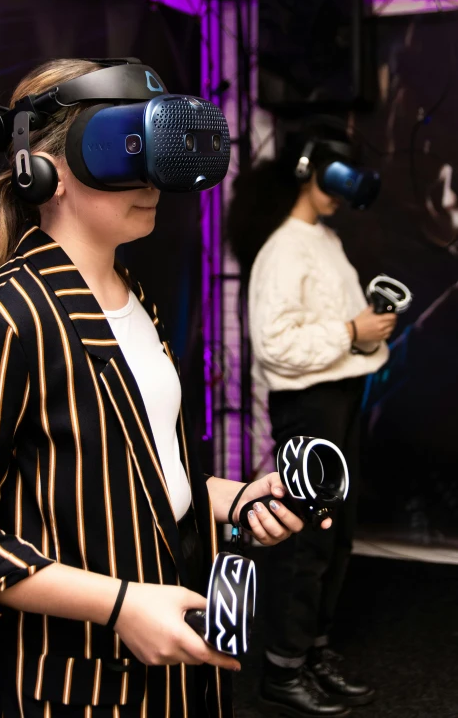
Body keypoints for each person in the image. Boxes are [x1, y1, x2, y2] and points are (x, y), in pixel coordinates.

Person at [0, 59, 323, 718]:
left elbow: (141, 476)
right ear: (45, 173)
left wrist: (240, 498)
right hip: (66, 686)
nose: (150, 181)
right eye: (123, 153)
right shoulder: (8, 319)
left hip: (172, 664)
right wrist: (119, 604)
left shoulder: (132, 295)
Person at [227, 125, 397, 718]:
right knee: (307, 540)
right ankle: (281, 671)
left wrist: (366, 330)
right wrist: (353, 332)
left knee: (337, 533)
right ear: (309, 169)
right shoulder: (283, 247)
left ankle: (312, 654)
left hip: (340, 398)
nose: (342, 189)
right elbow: (275, 345)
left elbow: (342, 331)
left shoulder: (323, 238)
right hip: (308, 405)